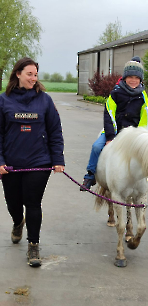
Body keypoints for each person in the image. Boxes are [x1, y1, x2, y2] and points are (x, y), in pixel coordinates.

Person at [0, 57, 65, 267]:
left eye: (35, 75)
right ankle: (18, 222)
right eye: (29, 74)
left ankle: (33, 245)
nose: (33, 78)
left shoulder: (44, 100)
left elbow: (55, 131)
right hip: (10, 163)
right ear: (18, 74)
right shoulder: (3, 100)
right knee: (13, 203)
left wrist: (58, 159)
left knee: (33, 202)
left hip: (39, 161)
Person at [80, 56, 148, 191]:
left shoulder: (142, 96)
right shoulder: (116, 93)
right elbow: (109, 114)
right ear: (124, 78)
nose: (133, 80)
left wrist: (142, 136)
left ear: (140, 79)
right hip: (115, 130)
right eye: (130, 77)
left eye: (136, 78)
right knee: (96, 147)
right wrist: (110, 137)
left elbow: (145, 118)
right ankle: (90, 175)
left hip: (134, 134)